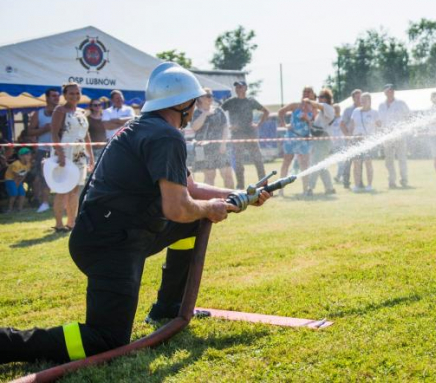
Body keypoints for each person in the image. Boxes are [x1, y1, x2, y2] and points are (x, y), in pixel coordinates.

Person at [0, 62, 272, 364]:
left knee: (192, 226)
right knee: (104, 341)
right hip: (111, 244)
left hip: (122, 233)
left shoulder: (149, 129)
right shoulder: (167, 137)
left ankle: (168, 306)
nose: (195, 110)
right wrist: (213, 208)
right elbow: (178, 207)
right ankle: (7, 344)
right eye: (193, 103)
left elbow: (189, 188)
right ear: (182, 104)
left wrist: (241, 195)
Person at [50, 83, 95, 232]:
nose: (74, 96)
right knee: (62, 189)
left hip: (80, 154)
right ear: (65, 95)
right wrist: (60, 154)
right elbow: (54, 133)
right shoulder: (60, 110)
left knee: (76, 189)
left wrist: (91, 157)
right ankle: (58, 224)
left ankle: (72, 222)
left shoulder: (82, 112)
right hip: (64, 152)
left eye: (77, 93)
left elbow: (87, 136)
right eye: (71, 93)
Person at [221, 81, 269, 189]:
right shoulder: (230, 102)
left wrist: (258, 124)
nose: (238, 88)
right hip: (237, 135)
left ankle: (264, 186)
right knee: (238, 162)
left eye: (240, 86)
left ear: (246, 88)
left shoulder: (251, 101)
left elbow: (266, 111)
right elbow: (218, 112)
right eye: (236, 87)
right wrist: (229, 125)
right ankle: (240, 187)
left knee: (258, 160)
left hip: (251, 134)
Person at [191, 88, 235, 189]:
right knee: (210, 176)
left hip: (221, 148)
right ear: (200, 98)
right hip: (205, 150)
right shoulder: (196, 113)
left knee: (227, 175)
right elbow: (195, 127)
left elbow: (225, 127)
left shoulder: (218, 110)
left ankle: (232, 199)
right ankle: (209, 202)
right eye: (207, 96)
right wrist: (205, 114)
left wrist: (223, 144)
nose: (210, 98)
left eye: (211, 95)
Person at [277, 87, 317, 196]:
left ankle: (305, 189)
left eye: (309, 92)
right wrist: (284, 124)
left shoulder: (314, 108)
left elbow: (315, 124)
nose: (306, 94)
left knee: (305, 165)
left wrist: (307, 119)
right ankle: (281, 190)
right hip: (291, 137)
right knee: (286, 163)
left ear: (313, 95)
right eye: (304, 92)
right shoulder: (295, 105)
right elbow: (281, 112)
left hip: (304, 139)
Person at [28, 87, 60, 213]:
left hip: (60, 150)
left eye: (58, 96)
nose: (56, 98)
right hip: (44, 150)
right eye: (53, 96)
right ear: (47, 98)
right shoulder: (39, 113)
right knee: (44, 177)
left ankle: (61, 202)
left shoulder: (63, 112)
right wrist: (44, 129)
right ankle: (45, 203)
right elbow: (29, 131)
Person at [378, 84, 410, 188]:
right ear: (385, 93)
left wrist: (403, 129)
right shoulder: (381, 106)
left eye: (392, 90)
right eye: (388, 91)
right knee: (389, 160)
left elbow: (409, 117)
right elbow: (380, 122)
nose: (390, 92)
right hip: (387, 136)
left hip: (399, 135)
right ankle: (391, 181)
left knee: (402, 159)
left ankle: (404, 180)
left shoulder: (401, 103)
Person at [307, 88, 337, 195]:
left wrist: (309, 100)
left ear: (327, 98)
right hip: (318, 140)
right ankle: (330, 188)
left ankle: (310, 188)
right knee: (321, 165)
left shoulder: (328, 107)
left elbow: (319, 105)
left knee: (315, 164)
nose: (319, 99)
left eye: (321, 97)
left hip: (324, 140)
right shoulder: (321, 111)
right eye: (319, 97)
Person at [350, 92, 380, 192]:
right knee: (356, 163)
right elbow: (352, 125)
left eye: (365, 100)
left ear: (370, 101)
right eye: (361, 100)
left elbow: (379, 125)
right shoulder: (355, 111)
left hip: (369, 141)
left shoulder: (374, 112)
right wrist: (351, 138)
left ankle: (369, 185)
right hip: (357, 140)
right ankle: (357, 185)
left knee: (368, 162)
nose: (362, 102)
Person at [338, 89, 362, 189]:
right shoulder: (348, 110)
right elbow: (342, 123)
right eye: (357, 97)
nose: (360, 99)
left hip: (360, 139)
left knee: (360, 161)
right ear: (353, 98)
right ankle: (346, 181)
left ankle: (359, 181)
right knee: (348, 161)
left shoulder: (364, 109)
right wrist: (347, 135)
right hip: (350, 139)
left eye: (361, 97)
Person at [4, 147, 32, 212]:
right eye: (27, 155)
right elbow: (15, 175)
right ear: (20, 156)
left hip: (19, 179)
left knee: (22, 193)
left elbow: (25, 174)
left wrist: (20, 182)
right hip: (10, 179)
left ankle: (20, 208)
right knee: (14, 194)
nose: (29, 157)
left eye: (30, 155)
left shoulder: (28, 164)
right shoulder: (15, 164)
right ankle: (9, 209)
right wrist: (16, 183)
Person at [87, 100, 108, 164]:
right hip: (91, 149)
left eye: (99, 105)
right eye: (95, 105)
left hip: (103, 147)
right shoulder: (87, 119)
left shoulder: (106, 117)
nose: (98, 106)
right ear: (91, 107)